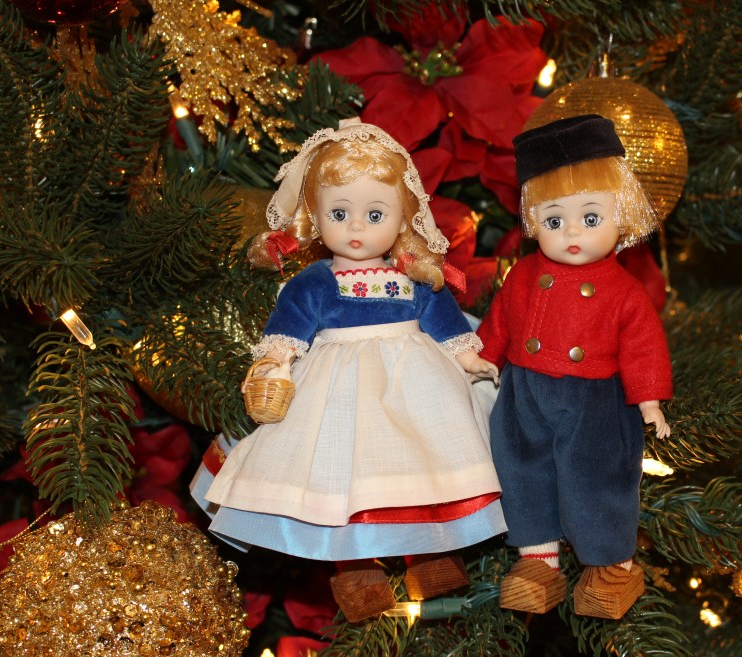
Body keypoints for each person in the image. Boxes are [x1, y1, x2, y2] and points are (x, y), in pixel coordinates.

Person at [198, 119, 504, 622]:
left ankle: (432, 557)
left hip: (415, 382)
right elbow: (289, 330)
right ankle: (357, 571)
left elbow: (444, 321)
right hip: (336, 384)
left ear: (402, 218)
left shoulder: (414, 276)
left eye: (375, 214)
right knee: (338, 472)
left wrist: (467, 357)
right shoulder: (314, 282)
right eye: (339, 213)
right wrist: (275, 361)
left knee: (426, 460)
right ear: (316, 217)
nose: (357, 228)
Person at [476, 114, 673, 619]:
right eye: (553, 220)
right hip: (524, 390)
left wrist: (649, 399)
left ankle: (610, 565)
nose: (570, 233)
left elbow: (643, 344)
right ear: (533, 223)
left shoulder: (623, 291)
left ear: (621, 216)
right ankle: (538, 560)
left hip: (594, 398)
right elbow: (502, 320)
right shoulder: (523, 274)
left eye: (590, 218)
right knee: (521, 467)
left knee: (596, 475)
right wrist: (481, 358)